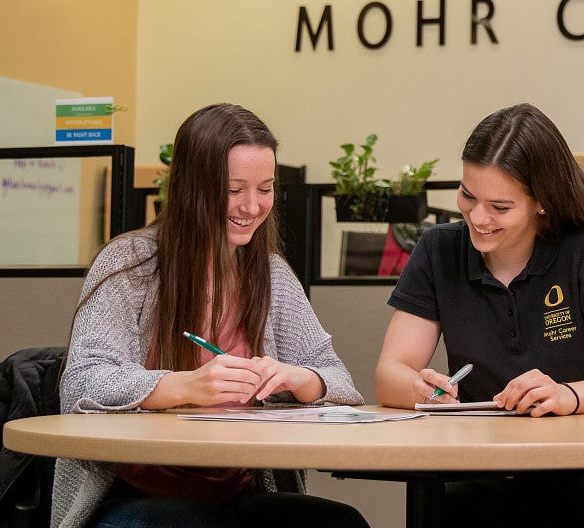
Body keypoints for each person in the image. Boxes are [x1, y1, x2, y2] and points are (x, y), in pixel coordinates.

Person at [53, 104, 369, 528]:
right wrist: (184, 385)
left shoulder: (270, 273)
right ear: (192, 187)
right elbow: (81, 381)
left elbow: (343, 383)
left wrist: (299, 378)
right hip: (133, 495)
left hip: (232, 495)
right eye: (234, 189)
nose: (253, 206)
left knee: (339, 523)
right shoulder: (130, 264)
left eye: (266, 188)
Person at [374, 103, 584, 528]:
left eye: (499, 206)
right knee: (448, 509)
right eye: (468, 195)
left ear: (542, 203)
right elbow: (391, 372)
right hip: (490, 467)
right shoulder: (438, 251)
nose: (478, 218)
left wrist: (567, 396)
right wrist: (420, 388)